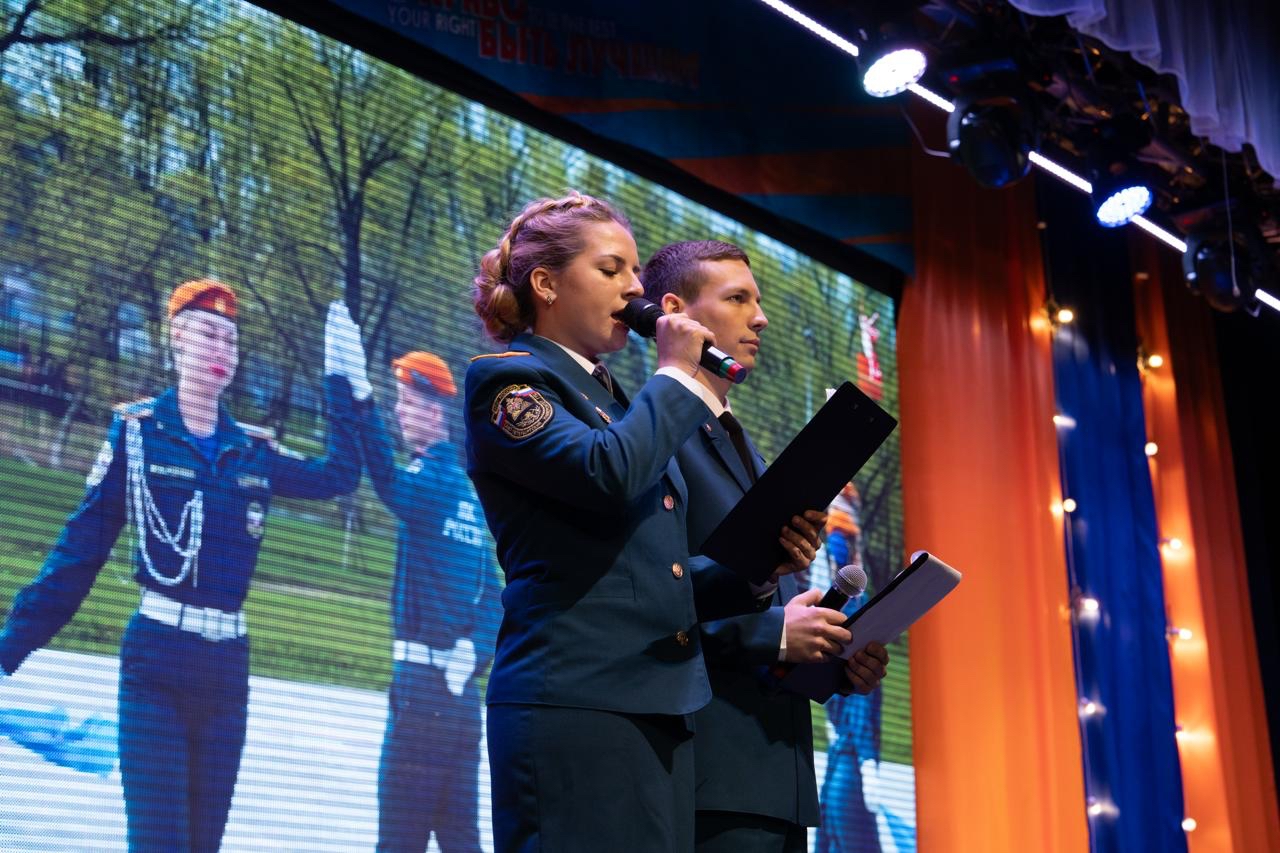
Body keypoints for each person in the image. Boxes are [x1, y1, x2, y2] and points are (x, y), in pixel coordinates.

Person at [464, 192, 819, 852]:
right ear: (546, 284)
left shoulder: (620, 403)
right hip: (576, 703)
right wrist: (679, 374)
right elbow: (606, 474)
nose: (634, 288)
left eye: (634, 271)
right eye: (611, 269)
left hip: (657, 711)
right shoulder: (510, 384)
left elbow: (659, 572)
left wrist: (758, 568)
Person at [0, 279, 361, 852]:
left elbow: (339, 476)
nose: (223, 350)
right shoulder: (139, 434)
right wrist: (8, 650)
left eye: (231, 341)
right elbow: (78, 554)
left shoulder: (252, 449)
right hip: (157, 663)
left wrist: (344, 381)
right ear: (177, 340)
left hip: (226, 670)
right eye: (209, 334)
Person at [642, 240, 891, 853]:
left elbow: (761, 601)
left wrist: (834, 659)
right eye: (737, 299)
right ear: (675, 311)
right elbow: (649, 600)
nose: (761, 318)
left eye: (757, 300)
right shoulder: (651, 437)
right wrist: (775, 633)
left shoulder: (742, 446)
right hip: (709, 774)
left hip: (778, 778)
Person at [327, 304, 500, 853]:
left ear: (434, 410)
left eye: (407, 402)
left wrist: (360, 398)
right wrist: (475, 650)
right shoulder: (468, 491)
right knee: (460, 838)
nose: (401, 413)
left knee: (398, 841)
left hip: (423, 690)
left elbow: (386, 481)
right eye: (398, 401)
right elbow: (495, 598)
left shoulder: (433, 482)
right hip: (459, 699)